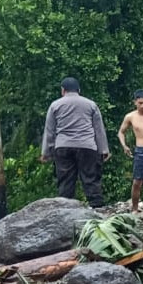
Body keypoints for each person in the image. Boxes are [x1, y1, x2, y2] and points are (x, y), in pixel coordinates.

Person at [40, 76, 110, 207]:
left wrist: (46, 152)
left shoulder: (55, 105)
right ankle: (97, 209)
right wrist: (103, 149)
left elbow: (50, 131)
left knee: (65, 181)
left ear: (63, 90)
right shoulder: (91, 104)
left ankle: (65, 211)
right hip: (87, 146)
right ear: (79, 90)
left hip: (63, 146)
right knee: (90, 179)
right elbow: (99, 129)